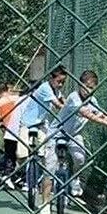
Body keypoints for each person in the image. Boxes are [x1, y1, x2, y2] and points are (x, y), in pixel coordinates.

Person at [39, 70, 107, 214]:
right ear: (80, 85)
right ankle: (45, 204)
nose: (88, 90)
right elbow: (86, 113)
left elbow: (99, 113)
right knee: (50, 169)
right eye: (86, 86)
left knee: (80, 158)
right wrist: (104, 122)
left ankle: (74, 177)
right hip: (57, 134)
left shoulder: (92, 100)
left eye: (92, 88)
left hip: (74, 135)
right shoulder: (74, 97)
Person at [20, 64, 67, 196]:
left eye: (63, 82)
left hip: (41, 124)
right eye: (59, 81)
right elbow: (58, 105)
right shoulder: (45, 88)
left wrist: (70, 104)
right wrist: (72, 109)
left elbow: (63, 100)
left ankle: (37, 181)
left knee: (44, 152)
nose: (60, 85)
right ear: (51, 78)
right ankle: (26, 175)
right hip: (27, 123)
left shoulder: (56, 90)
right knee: (21, 154)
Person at [0, 83, 25, 189]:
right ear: (8, 90)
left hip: (9, 131)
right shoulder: (17, 99)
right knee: (22, 153)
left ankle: (7, 175)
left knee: (10, 154)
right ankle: (20, 176)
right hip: (21, 129)